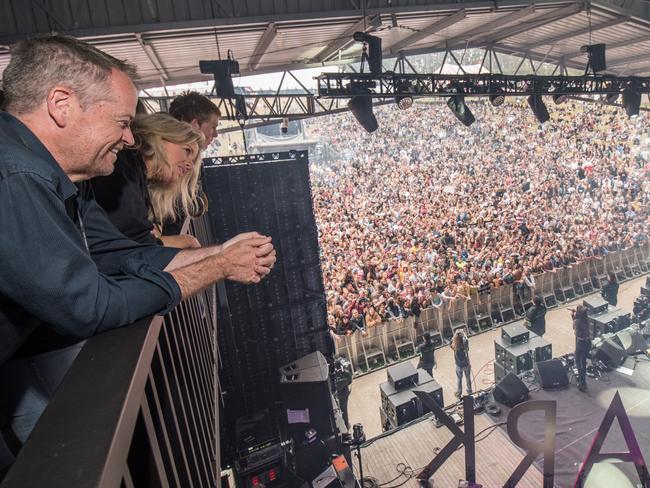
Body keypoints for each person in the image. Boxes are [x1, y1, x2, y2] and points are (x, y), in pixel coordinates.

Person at [0, 35, 275, 467]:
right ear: (61, 104)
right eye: (122, 121)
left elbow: (119, 255)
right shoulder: (16, 176)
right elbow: (89, 304)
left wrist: (219, 255)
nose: (130, 138)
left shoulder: (65, 179)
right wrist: (213, 268)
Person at [91, 112, 203, 248]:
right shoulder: (123, 168)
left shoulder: (135, 176)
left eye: (193, 161)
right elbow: (135, 247)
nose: (190, 166)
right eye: (187, 150)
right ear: (161, 136)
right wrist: (186, 241)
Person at [572, 305, 591, 391]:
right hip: (587, 343)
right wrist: (574, 316)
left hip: (581, 344)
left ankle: (582, 383)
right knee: (583, 362)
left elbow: (574, 327)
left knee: (578, 363)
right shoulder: (586, 319)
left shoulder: (577, 321)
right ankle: (582, 381)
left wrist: (573, 316)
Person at [331, 357, 353, 429]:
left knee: (337, 412)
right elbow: (350, 380)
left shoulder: (332, 376)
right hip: (344, 393)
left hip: (335, 395)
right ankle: (346, 425)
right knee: (344, 410)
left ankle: (340, 427)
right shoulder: (345, 373)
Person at [451, 330, 472, 398]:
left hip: (459, 365)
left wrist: (456, 334)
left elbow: (451, 342)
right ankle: (469, 391)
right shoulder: (465, 343)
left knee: (459, 379)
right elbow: (466, 340)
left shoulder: (454, 345)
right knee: (468, 378)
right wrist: (463, 334)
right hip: (466, 364)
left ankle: (459, 393)